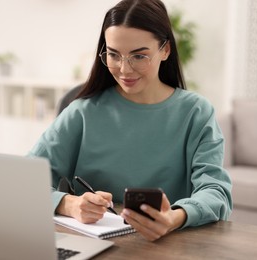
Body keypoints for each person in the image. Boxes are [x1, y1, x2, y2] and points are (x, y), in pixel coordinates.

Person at [28, 0, 232, 241]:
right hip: (94, 246)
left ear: (165, 50)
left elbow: (216, 192)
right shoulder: (82, 112)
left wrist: (174, 218)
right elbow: (24, 181)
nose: (124, 69)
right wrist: (69, 204)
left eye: (139, 56)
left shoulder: (196, 112)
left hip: (169, 247)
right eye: (114, 54)